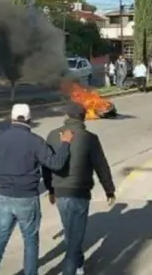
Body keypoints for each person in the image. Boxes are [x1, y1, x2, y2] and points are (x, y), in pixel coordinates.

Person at [0, 104, 74, 275]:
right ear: (30, 119)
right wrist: (66, 144)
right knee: (30, 240)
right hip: (27, 197)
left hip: (3, 196)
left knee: (1, 236)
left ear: (12, 118)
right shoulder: (36, 141)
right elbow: (55, 164)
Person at [42, 103, 116, 275]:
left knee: (70, 232)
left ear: (67, 116)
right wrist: (109, 190)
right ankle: (71, 270)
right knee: (75, 237)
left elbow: (46, 166)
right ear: (83, 118)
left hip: (60, 192)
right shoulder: (89, 137)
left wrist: (50, 189)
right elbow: (101, 166)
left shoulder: (53, 135)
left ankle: (79, 264)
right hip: (80, 193)